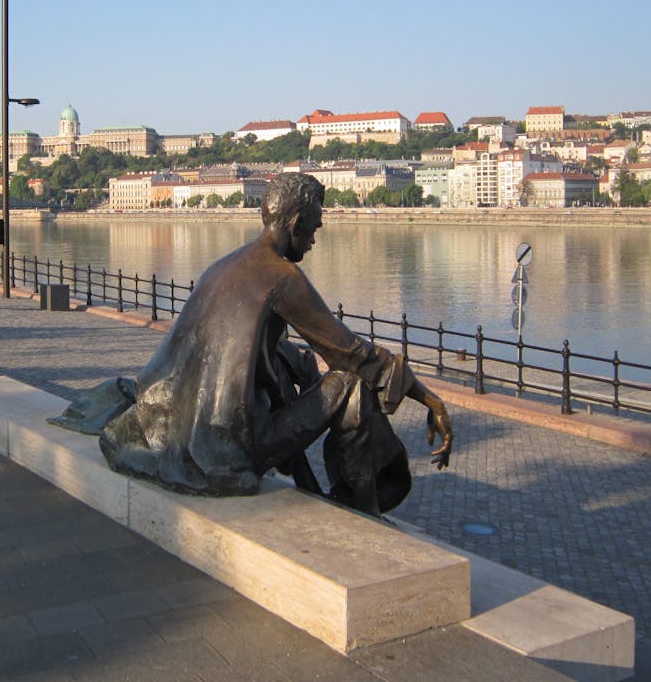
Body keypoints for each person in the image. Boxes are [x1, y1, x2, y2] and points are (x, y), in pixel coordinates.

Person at [99, 173, 454, 516]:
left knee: (307, 365)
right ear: (296, 222)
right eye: (314, 229)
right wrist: (429, 398)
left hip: (183, 432)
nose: (314, 240)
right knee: (350, 386)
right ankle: (362, 508)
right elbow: (351, 353)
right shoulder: (283, 277)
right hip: (232, 446)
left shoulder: (224, 266)